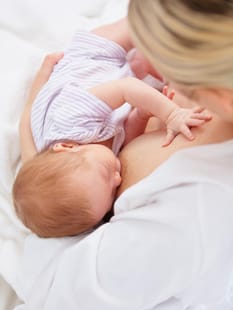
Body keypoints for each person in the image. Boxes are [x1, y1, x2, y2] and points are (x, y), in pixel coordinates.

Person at [10, 2, 233, 310]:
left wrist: (29, 148)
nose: (151, 72)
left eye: (168, 65)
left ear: (222, 96)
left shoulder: (197, 211)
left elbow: (56, 293)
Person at [12, 18, 209, 239]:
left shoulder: (71, 120)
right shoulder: (91, 171)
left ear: (66, 146)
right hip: (116, 92)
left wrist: (172, 114)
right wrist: (141, 115)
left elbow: (127, 88)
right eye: (112, 191)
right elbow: (126, 134)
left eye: (108, 175)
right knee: (158, 64)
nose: (117, 179)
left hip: (93, 61)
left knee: (141, 27)